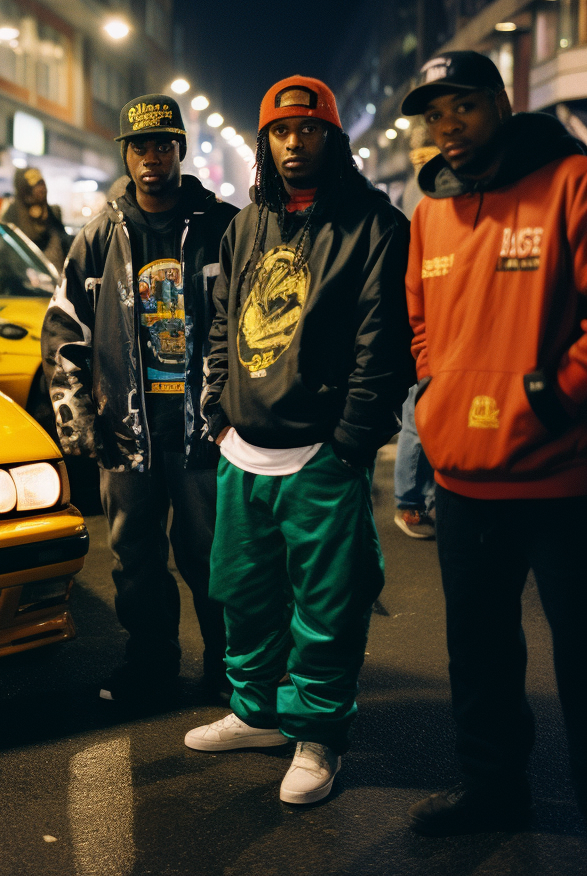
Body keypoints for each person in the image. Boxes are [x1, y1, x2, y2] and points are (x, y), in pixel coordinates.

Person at [183, 76, 413, 805]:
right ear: (264, 141)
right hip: (243, 447)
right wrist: (218, 408)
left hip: (320, 451)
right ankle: (257, 711)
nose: (293, 144)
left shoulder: (375, 223)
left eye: (308, 131)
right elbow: (222, 320)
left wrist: (351, 439)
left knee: (327, 604)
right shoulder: (248, 222)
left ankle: (317, 734)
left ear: (333, 138)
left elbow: (385, 341)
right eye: (281, 132)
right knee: (244, 593)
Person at [401, 51, 587, 834]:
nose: (448, 126)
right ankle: (492, 789)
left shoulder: (571, 182)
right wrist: (441, 392)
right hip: (463, 478)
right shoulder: (430, 213)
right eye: (434, 113)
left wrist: (549, 397)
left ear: (502, 104)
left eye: (464, 106)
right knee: (478, 656)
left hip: (562, 477)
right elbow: (421, 323)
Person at [41, 94, 238, 703]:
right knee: (134, 557)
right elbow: (64, 331)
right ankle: (151, 665)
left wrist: (236, 413)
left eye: (163, 144)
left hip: (204, 430)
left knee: (214, 558)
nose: (151, 157)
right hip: (126, 430)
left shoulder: (223, 227)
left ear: (180, 149)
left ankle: (229, 672)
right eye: (139, 146)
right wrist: (78, 428)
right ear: (124, 154)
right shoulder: (99, 237)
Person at [394, 127, 440, 540]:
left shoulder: (415, 186)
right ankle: (409, 501)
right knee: (417, 411)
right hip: (426, 319)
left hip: (422, 318)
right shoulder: (428, 192)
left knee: (422, 410)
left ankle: (420, 498)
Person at [2, 167, 71, 273]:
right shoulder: (12, 217)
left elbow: (65, 246)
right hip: (28, 285)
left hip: (58, 283)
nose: (41, 189)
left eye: (41, 184)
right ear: (24, 191)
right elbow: (8, 257)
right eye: (34, 186)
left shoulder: (53, 214)